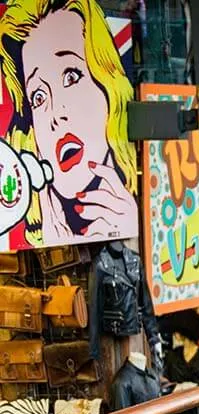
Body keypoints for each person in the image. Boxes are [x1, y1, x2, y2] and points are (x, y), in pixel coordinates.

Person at [0, 0, 139, 245]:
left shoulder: (142, 198)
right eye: (39, 97)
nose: (55, 115)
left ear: (106, 85)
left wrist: (130, 231)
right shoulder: (23, 219)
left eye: (71, 76)